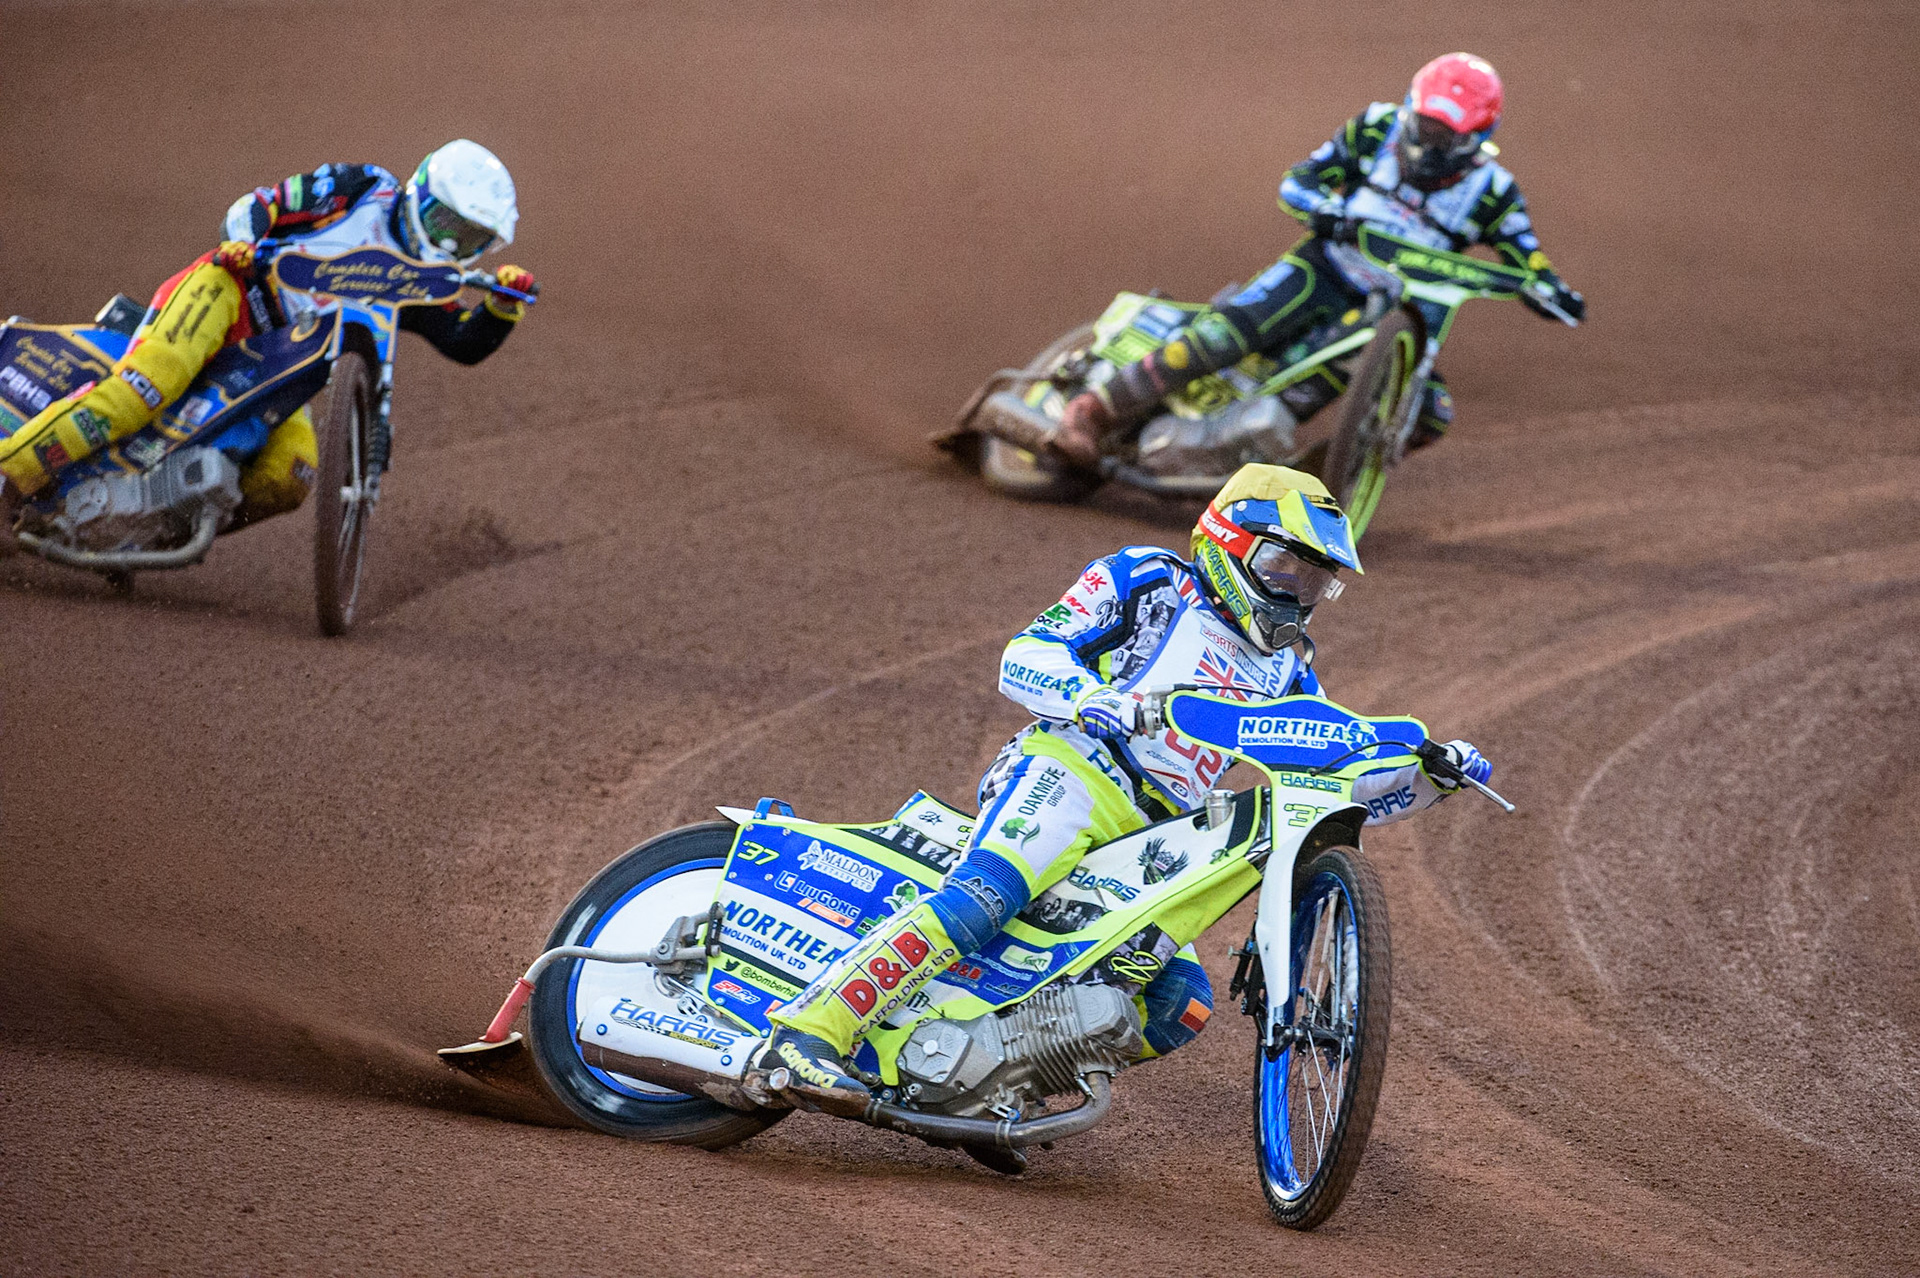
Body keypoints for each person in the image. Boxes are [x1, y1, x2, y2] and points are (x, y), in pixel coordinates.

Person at [762, 464, 1491, 1113]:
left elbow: (1328, 775)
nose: (1294, 594)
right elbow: (1026, 653)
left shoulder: (1292, 670)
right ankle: (807, 1032)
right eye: (1282, 568)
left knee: (1178, 1005)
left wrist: (1427, 773)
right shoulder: (1149, 580)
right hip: (1074, 770)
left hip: (1157, 840)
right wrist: (1086, 696)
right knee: (987, 897)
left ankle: (986, 1085)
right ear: (1228, 539)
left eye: (1313, 582)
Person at [1052, 52, 1585, 466]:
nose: (1429, 142)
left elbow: (1527, 259)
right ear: (1410, 108)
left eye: (1445, 135)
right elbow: (1298, 181)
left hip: (1394, 307)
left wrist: (1553, 292)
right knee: (1227, 333)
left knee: (1432, 414)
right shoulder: (1376, 128)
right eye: (1425, 126)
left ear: (1478, 137)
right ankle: (1090, 414)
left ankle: (1322, 480)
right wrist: (1327, 212)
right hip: (1327, 266)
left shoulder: (1497, 191)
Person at [0, 139, 537, 526]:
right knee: (145, 390)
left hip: (280, 362)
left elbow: (461, 342)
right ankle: (10, 475)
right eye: (447, 223)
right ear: (421, 192)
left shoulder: (422, 283)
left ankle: (154, 524)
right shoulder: (362, 190)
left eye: (470, 240)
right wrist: (244, 241)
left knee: (292, 473)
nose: (449, 245)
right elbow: (263, 204)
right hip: (228, 296)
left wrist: (500, 308)